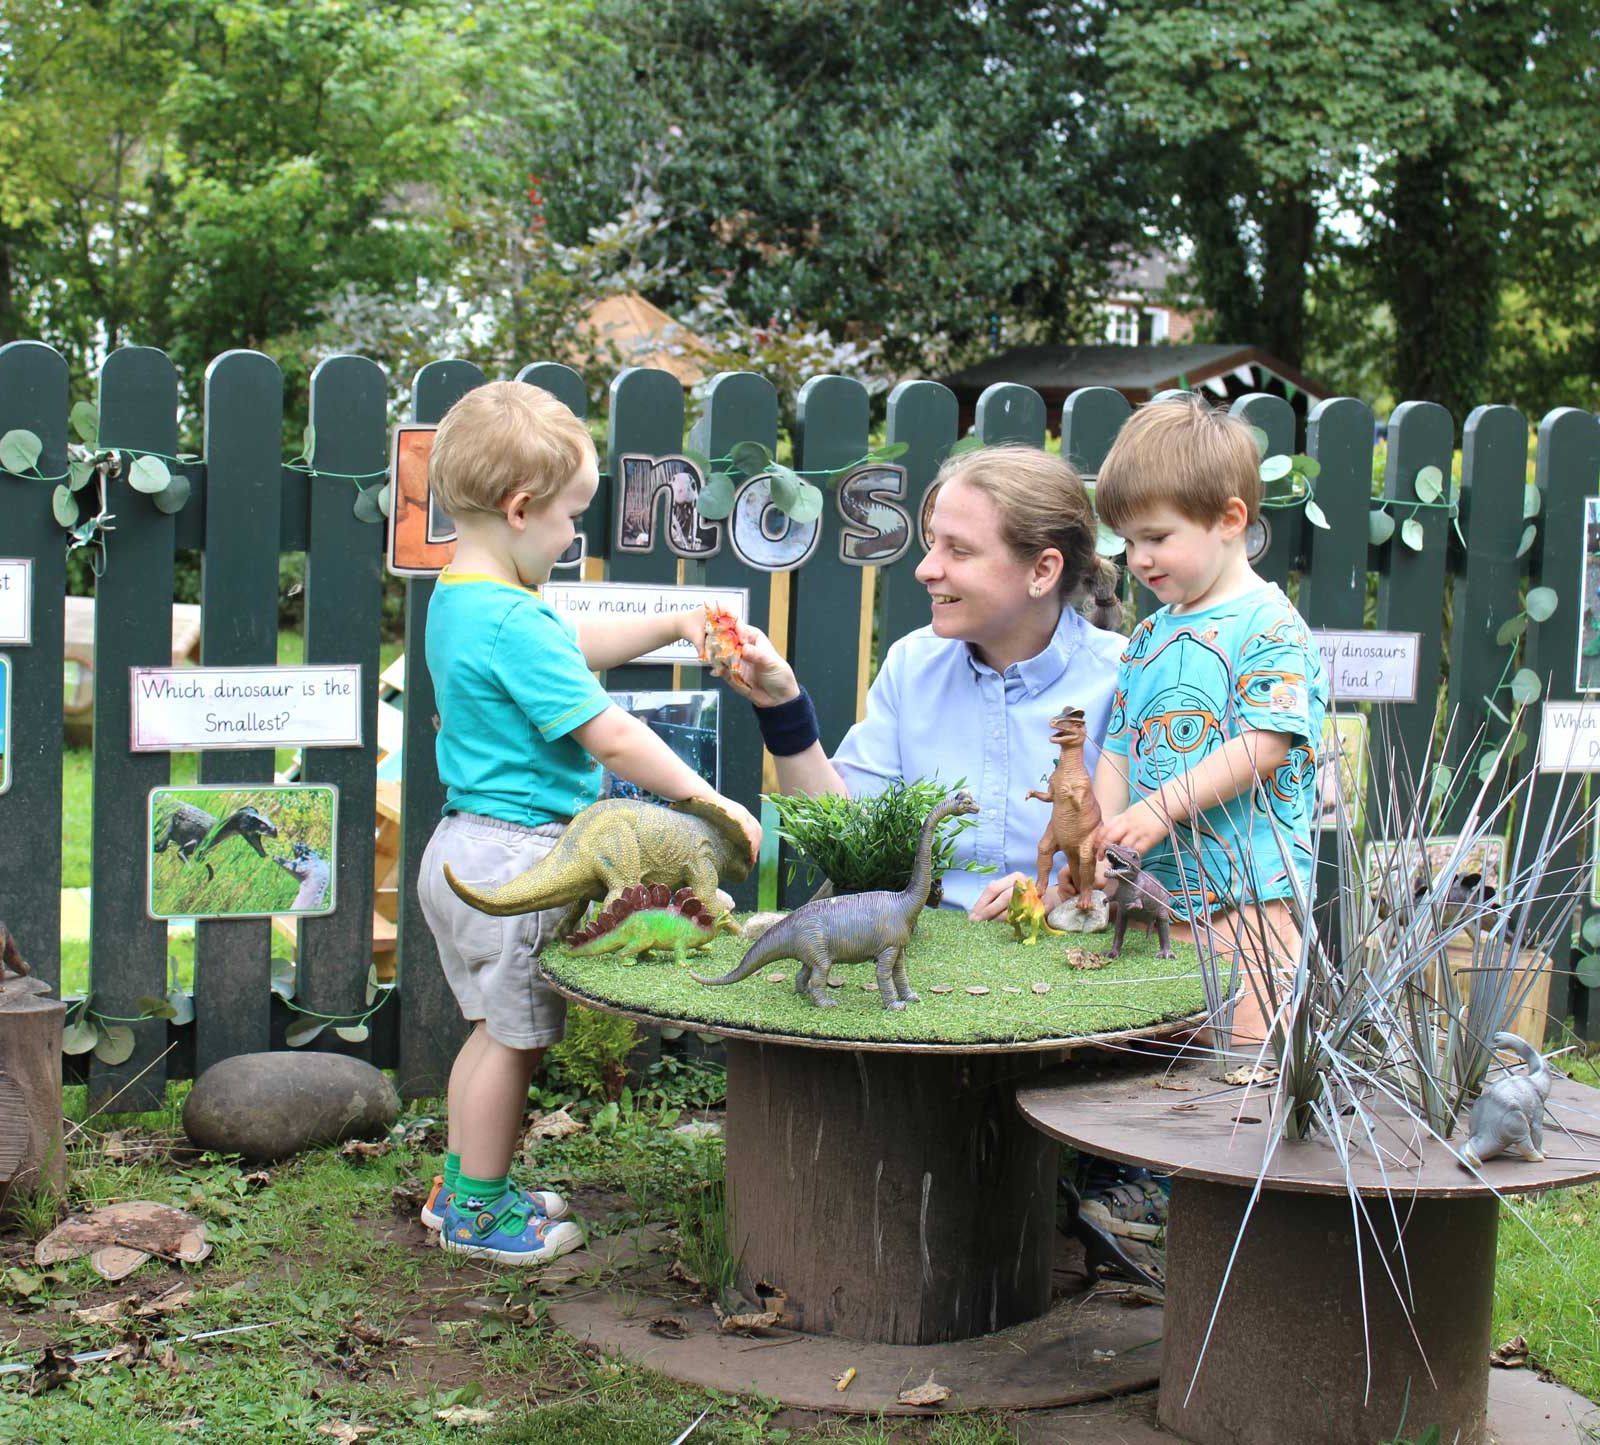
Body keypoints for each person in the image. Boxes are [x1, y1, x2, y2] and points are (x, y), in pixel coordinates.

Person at [414, 380, 761, 1265]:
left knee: (489, 1031)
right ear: (521, 508)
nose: (574, 538)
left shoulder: (465, 596)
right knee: (514, 1040)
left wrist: (678, 622)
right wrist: (704, 799)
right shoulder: (513, 619)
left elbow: (571, 649)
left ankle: (460, 1185)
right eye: (571, 517)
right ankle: (480, 1212)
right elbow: (607, 727)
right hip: (525, 850)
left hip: (462, 844)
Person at [728, 442, 1125, 918]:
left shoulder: (1127, 678)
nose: (925, 568)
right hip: (919, 963)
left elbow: (1146, 857)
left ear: (1042, 570)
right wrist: (782, 707)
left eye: (958, 550)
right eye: (933, 542)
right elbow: (848, 835)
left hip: (1075, 967)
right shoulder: (913, 663)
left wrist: (1055, 896)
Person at [1091, 394, 1328, 1049]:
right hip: (1155, 899)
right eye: (1130, 541)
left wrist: (1163, 807)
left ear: (1229, 519)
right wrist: (1106, 830)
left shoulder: (1272, 626)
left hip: (1248, 903)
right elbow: (1119, 743)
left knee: (1242, 1072)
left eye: (1158, 537)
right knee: (1144, 1076)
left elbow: (1267, 744)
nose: (1138, 558)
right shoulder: (1144, 636)